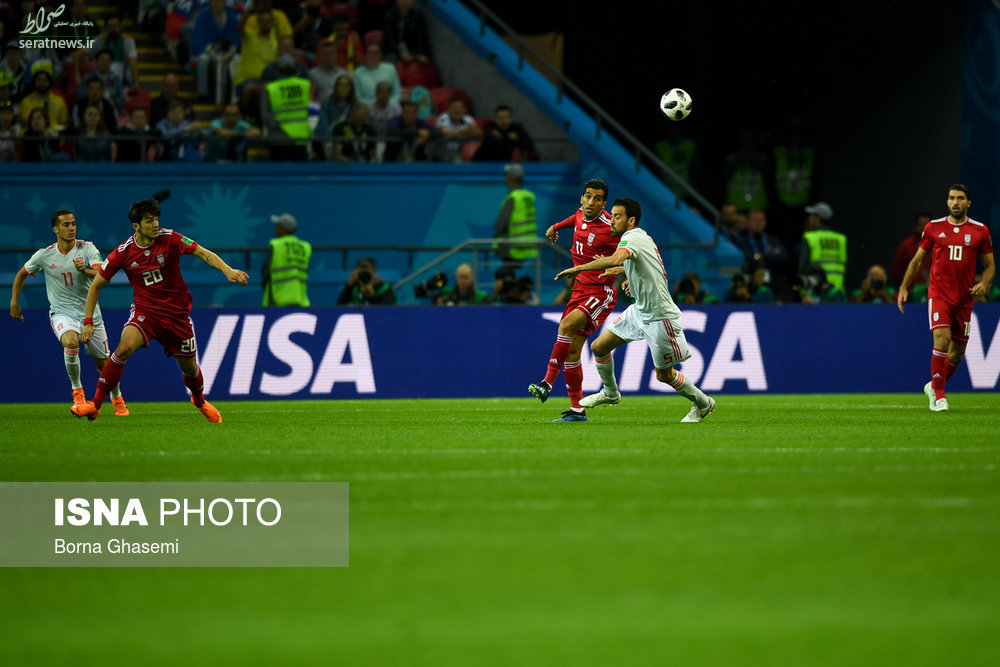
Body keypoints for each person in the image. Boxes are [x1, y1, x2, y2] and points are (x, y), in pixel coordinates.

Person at [71, 198, 250, 422]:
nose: (155, 224)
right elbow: (96, 284)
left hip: (177, 316)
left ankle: (199, 400)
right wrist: (88, 322)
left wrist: (227, 270)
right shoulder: (123, 252)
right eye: (149, 221)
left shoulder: (170, 238)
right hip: (146, 312)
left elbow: (203, 253)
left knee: (190, 370)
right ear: (136, 226)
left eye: (156, 219)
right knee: (124, 348)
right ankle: (95, 405)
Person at [554, 197, 716, 423]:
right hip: (640, 310)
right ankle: (611, 393)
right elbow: (646, 265)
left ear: (631, 221)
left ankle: (703, 403)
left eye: (617, 216)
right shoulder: (639, 238)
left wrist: (580, 268)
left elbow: (616, 257)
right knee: (599, 347)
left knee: (664, 375)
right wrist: (626, 272)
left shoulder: (631, 237)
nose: (612, 221)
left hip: (660, 317)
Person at [10, 209, 128, 414]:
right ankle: (78, 393)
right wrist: (14, 302)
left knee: (104, 365)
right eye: (66, 225)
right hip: (61, 312)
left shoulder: (88, 249)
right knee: (71, 342)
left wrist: (85, 270)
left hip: (91, 314)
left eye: (73, 223)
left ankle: (117, 398)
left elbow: (103, 276)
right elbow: (21, 274)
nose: (71, 228)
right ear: (55, 229)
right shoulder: (44, 255)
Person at [898, 184, 995, 412]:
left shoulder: (981, 231)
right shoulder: (933, 228)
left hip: (964, 298)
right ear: (947, 201)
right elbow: (917, 261)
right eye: (952, 198)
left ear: (968, 203)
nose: (955, 203)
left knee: (958, 353)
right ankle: (939, 397)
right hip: (939, 294)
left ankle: (934, 385)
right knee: (942, 338)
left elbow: (990, 267)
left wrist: (984, 282)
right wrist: (904, 286)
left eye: (960, 199)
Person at [528, 179, 618, 422]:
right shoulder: (580, 214)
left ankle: (546, 383)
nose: (590, 202)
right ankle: (577, 410)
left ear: (604, 203)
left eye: (597, 198)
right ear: (582, 198)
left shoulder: (611, 227)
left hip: (599, 292)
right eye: (587, 196)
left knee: (566, 326)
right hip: (579, 290)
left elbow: (632, 251)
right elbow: (574, 220)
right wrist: (555, 227)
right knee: (573, 351)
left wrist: (621, 270)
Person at [189, 0, 241, 105]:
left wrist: (231, 51)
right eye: (214, 2)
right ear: (210, 3)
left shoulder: (232, 17)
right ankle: (202, 94)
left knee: (237, 60)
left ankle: (236, 96)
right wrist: (209, 51)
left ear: (224, 3)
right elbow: (198, 38)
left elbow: (236, 38)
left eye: (219, 1)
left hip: (228, 51)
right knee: (203, 60)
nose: (216, 4)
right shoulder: (203, 17)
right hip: (209, 50)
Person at [261, 53, 311, 161]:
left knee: (280, 176)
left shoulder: (271, 88)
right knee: (302, 175)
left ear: (277, 71)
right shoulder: (305, 85)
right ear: (295, 70)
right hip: (300, 137)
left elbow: (265, 115)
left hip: (278, 139)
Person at [492, 162, 537, 267]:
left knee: (501, 274)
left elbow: (500, 224)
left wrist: (497, 237)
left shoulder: (513, 198)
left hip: (513, 246)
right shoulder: (529, 196)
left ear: (509, 178)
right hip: (528, 246)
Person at [262, 213, 311, 306]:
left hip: (278, 300)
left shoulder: (276, 245)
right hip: (300, 299)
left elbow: (265, 272)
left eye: (278, 225)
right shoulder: (305, 247)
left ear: (283, 228)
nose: (275, 228)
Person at [798, 201, 847, 292]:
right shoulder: (841, 239)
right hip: (837, 293)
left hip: (815, 293)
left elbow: (802, 268)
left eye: (812, 215)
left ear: (817, 218)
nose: (810, 218)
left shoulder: (810, 238)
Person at [430, 96, 480, 163]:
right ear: (449, 109)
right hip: (443, 150)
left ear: (464, 109)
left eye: (459, 108)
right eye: (454, 108)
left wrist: (477, 133)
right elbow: (447, 133)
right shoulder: (443, 117)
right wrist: (466, 131)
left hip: (461, 149)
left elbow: (476, 133)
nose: (457, 110)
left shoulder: (469, 119)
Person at [382, 0, 432, 65]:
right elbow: (390, 41)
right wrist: (400, 53)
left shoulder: (418, 17)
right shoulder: (389, 16)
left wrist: (422, 54)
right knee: (392, 60)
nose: (405, 2)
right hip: (393, 52)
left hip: (412, 52)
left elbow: (422, 39)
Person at [892, 212, 932, 288]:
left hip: (935, 291)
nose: (924, 228)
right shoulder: (907, 245)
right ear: (916, 227)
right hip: (911, 293)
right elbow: (897, 272)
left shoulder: (939, 245)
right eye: (921, 225)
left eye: (927, 225)